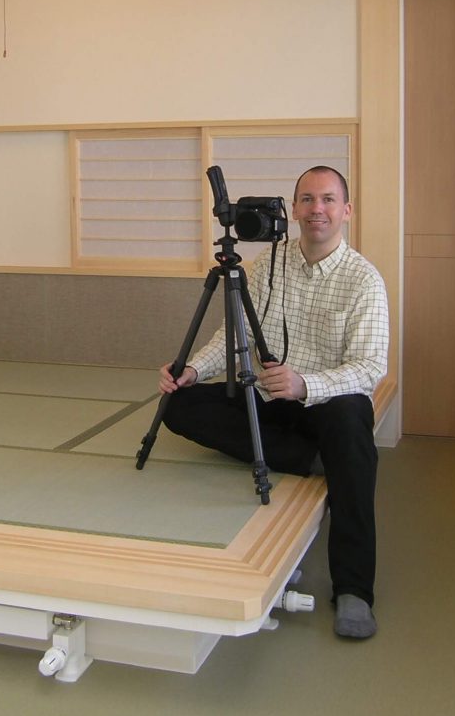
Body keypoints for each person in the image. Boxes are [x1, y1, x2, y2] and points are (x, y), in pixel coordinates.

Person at [159, 166, 389, 640]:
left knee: (353, 424)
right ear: (294, 209)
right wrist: (192, 370)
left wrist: (306, 384)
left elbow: (369, 367)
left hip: (325, 401)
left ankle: (353, 589)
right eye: (306, 199)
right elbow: (232, 333)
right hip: (267, 393)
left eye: (327, 200)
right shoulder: (270, 263)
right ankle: (309, 459)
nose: (316, 209)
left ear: (346, 210)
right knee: (179, 405)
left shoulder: (363, 279)